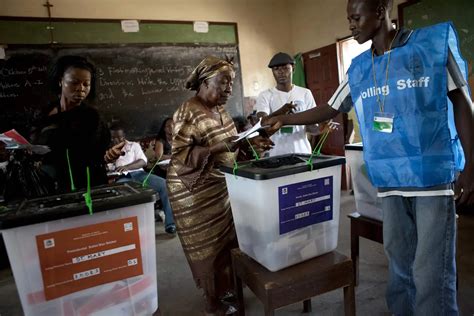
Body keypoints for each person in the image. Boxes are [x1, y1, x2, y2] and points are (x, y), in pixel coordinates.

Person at [264, 0, 474, 314]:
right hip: (390, 180)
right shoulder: (361, 67)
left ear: (380, 12)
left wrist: (471, 166)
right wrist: (284, 120)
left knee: (431, 268)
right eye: (348, 18)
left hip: (431, 176)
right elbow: (331, 107)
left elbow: (462, 102)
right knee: (399, 262)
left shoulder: (430, 46)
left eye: (355, 17)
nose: (350, 24)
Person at [166, 56, 273, 315]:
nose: (228, 89)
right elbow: (180, 154)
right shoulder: (187, 110)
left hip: (221, 183)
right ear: (205, 81)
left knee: (229, 242)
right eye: (223, 82)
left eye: (231, 83)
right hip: (192, 190)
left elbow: (230, 145)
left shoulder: (222, 111)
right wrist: (219, 147)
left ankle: (227, 290)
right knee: (208, 249)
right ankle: (212, 301)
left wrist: (250, 145)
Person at [33, 55, 123, 193]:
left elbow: (96, 154)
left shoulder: (92, 117)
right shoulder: (43, 114)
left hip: (85, 186)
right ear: (60, 81)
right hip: (49, 186)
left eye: (86, 84)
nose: (81, 88)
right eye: (74, 82)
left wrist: (108, 156)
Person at [107, 123, 176, 234]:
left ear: (124, 136)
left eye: (119, 137)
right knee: (122, 194)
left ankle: (170, 223)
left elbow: (143, 162)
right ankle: (129, 229)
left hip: (140, 175)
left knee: (164, 184)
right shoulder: (108, 150)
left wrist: (126, 167)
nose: (117, 140)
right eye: (114, 138)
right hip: (122, 179)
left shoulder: (133, 145)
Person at [256, 52, 317, 156]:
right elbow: (262, 124)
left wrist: (321, 128)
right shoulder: (265, 95)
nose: (280, 72)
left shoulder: (305, 93)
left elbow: (311, 128)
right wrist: (281, 112)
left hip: (302, 153)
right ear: (272, 72)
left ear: (293, 68)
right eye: (276, 69)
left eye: (285, 68)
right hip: (275, 154)